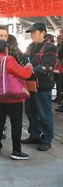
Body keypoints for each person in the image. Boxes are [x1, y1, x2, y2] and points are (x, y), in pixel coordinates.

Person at [0, 40, 33, 159]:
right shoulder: (8, 59)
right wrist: (28, 67)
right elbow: (23, 74)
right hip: (13, 97)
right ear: (4, 48)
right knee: (16, 123)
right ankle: (16, 151)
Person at [21, 23, 57, 151]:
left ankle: (47, 139)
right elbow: (23, 60)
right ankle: (34, 135)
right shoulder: (30, 47)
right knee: (30, 112)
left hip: (43, 85)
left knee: (44, 113)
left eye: (34, 32)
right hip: (29, 84)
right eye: (30, 32)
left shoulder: (50, 47)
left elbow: (47, 65)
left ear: (43, 33)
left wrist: (29, 72)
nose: (31, 34)